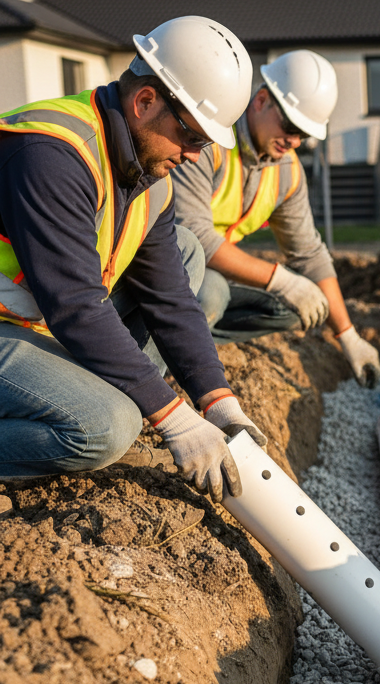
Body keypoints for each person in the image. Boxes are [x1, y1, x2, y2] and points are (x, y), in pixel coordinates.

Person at [0, 15, 268, 503]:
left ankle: (115, 392)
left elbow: (170, 298)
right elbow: (77, 306)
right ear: (145, 102)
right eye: (192, 137)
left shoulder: (148, 176)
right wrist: (172, 417)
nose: (195, 155)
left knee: (184, 252)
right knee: (107, 426)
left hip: (36, 320)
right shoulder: (51, 154)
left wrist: (217, 400)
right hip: (17, 324)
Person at [171, 49, 380, 388]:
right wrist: (281, 280)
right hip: (168, 261)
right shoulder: (210, 140)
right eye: (290, 126)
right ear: (261, 101)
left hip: (211, 268)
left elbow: (309, 254)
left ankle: (192, 337)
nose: (294, 141)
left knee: (302, 308)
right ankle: (159, 353)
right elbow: (195, 234)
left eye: (304, 134)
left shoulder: (288, 171)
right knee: (212, 293)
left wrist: (348, 336)